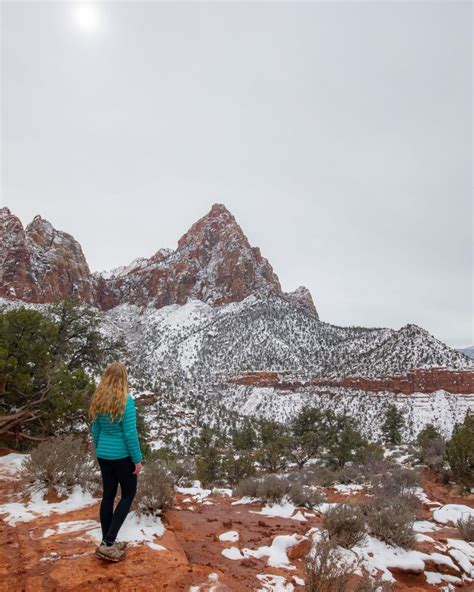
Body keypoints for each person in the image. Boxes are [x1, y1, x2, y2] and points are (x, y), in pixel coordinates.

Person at [88, 362, 143, 562]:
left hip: (104, 455)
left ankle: (106, 543)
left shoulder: (99, 399)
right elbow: (130, 434)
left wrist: (100, 450)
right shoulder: (126, 402)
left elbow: (95, 429)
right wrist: (137, 460)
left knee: (108, 496)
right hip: (122, 457)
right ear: (123, 379)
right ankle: (109, 542)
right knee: (128, 495)